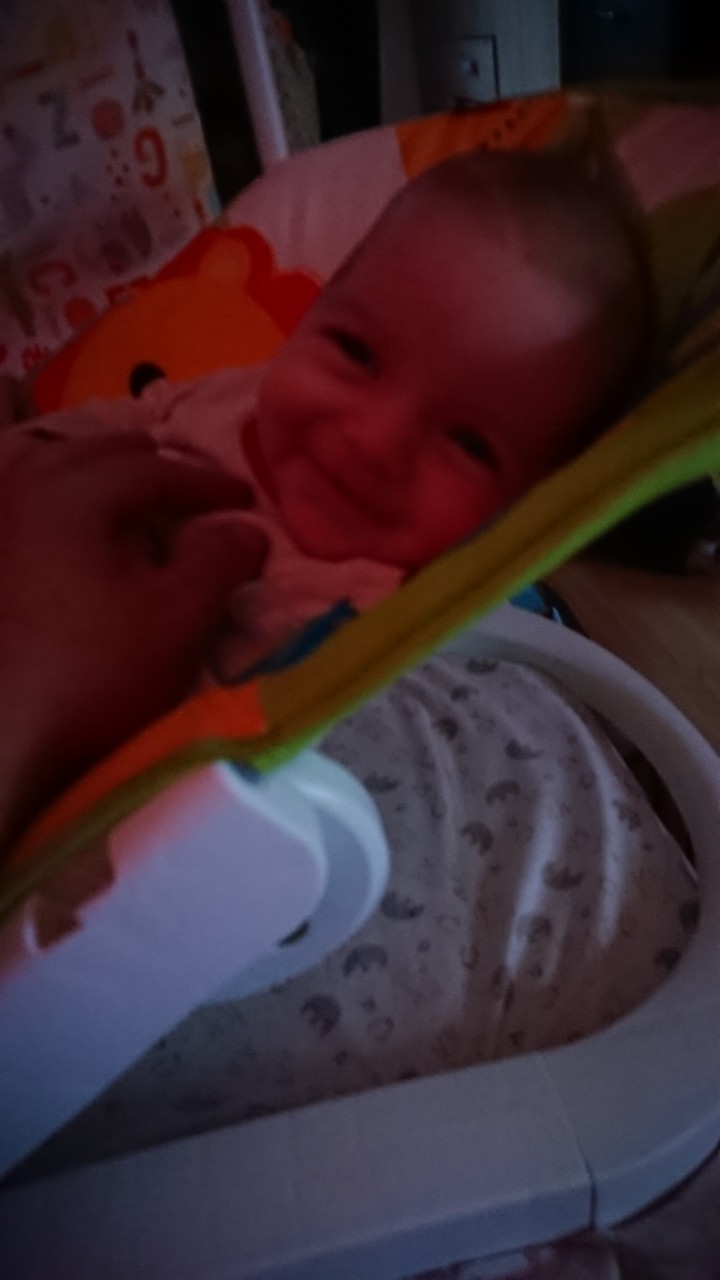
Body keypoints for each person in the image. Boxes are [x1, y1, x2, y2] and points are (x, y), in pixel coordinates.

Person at [3, 148, 653, 677]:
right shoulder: (238, 395)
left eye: (468, 443)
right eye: (355, 352)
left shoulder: (349, 610)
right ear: (315, 311)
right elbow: (125, 418)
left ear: (528, 507)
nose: (374, 439)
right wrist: (34, 444)